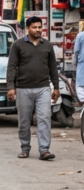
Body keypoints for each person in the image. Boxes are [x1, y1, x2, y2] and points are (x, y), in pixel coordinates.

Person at [7, 16, 60, 160]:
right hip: (23, 88)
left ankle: (44, 150)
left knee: (44, 118)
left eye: (39, 27)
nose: (38, 30)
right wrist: (11, 87)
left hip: (43, 88)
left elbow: (53, 68)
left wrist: (56, 87)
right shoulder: (18, 45)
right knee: (24, 121)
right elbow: (11, 67)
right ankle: (25, 148)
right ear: (27, 29)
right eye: (34, 27)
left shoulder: (47, 46)